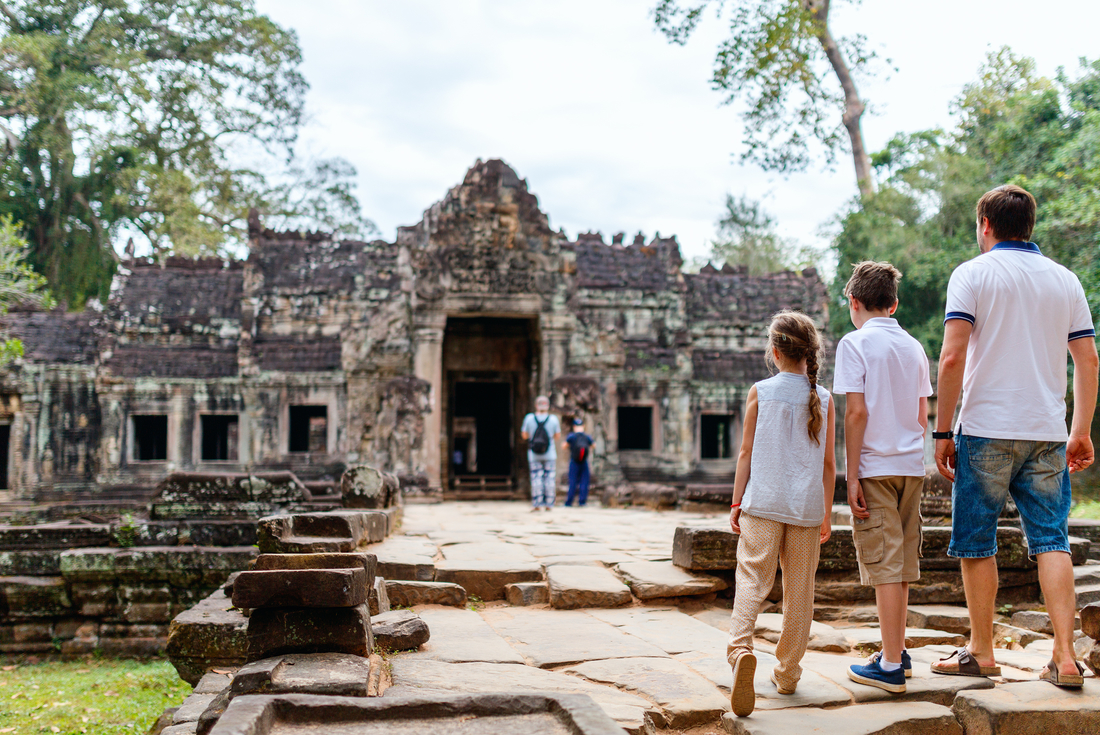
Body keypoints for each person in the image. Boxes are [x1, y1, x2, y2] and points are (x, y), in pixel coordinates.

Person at [933, 184, 1098, 688]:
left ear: (986, 225)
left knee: (977, 542)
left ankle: (982, 653)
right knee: (1052, 540)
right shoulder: (1065, 280)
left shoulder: (972, 274)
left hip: (985, 427)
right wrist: (1081, 430)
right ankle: (1066, 658)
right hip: (1047, 431)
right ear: (1029, 225)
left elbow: (953, 357)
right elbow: (1087, 359)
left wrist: (942, 430)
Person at [727, 311, 836, 717]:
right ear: (811, 353)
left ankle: (740, 651)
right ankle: (788, 674)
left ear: (775, 352)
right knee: (800, 591)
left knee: (752, 579)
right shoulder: (823, 398)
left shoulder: (761, 390)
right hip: (806, 507)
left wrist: (737, 502)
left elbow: (745, 453)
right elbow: (829, 465)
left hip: (764, 502)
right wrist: (826, 513)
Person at [832, 261, 932, 693]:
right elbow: (921, 417)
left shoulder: (854, 344)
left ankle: (890, 666)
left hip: (874, 466)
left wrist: (851, 476)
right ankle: (898, 651)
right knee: (902, 562)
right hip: (911, 466)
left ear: (854, 302)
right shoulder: (914, 347)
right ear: (894, 304)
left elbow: (856, 413)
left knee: (885, 564)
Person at [521, 396, 562, 512]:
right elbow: (557, 436)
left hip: (534, 454)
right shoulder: (553, 419)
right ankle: (549, 504)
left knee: (536, 478)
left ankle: (537, 503)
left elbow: (524, 435)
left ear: (536, 405)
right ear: (548, 406)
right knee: (549, 478)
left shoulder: (529, 418)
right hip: (550, 453)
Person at [563, 417, 594, 507]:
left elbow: (564, 446)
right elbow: (593, 445)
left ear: (574, 426)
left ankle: (569, 502)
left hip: (574, 461)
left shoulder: (571, 436)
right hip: (584, 461)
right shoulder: (587, 436)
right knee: (584, 482)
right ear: (583, 426)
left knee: (572, 481)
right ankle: (582, 502)